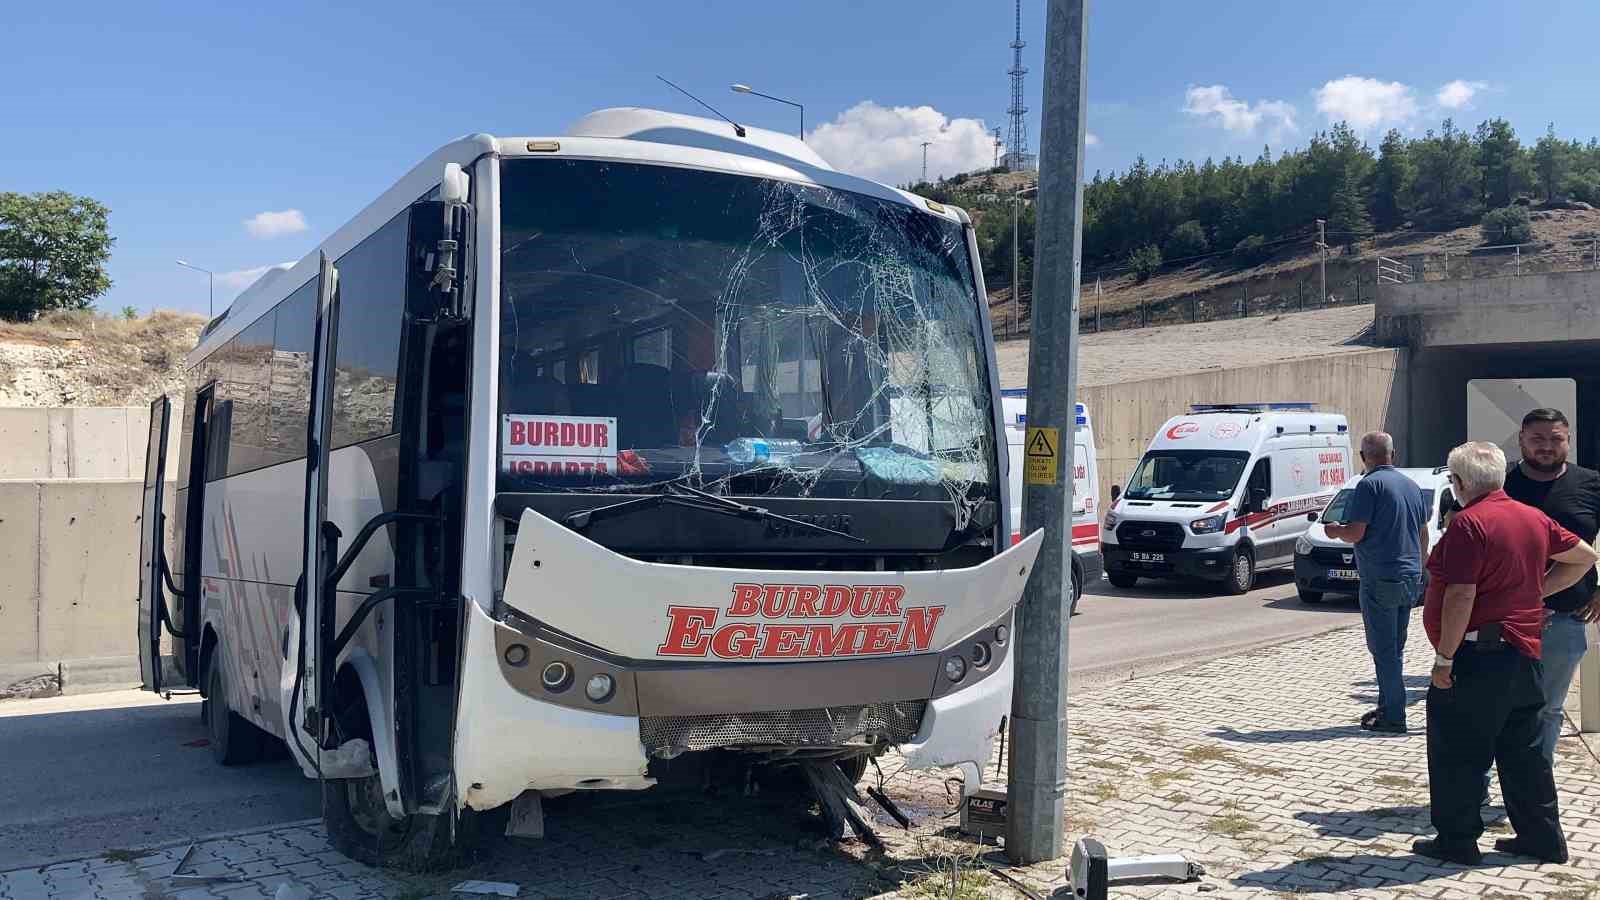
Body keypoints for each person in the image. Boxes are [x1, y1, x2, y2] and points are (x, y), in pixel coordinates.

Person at [1413, 441, 1598, 866]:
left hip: (1479, 656)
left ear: (1459, 483)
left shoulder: (1468, 524)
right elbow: (1585, 557)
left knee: (1457, 751)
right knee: (1525, 752)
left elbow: (1460, 594)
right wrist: (1536, 592)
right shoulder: (1532, 517)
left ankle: (1457, 841)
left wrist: (1444, 659)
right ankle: (1542, 839)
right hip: (1523, 653)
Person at [1503, 408, 1600, 763]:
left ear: (1568, 441)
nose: (1546, 446)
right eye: (1537, 439)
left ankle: (1534, 788)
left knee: (1548, 709)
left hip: (1566, 617)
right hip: (1505, 619)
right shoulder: (1502, 486)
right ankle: (1486, 786)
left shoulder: (1591, 483)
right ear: (1522, 440)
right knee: (1500, 706)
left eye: (1555, 439)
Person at [1324, 431, 1429, 734]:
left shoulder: (1368, 485)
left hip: (1380, 576)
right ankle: (1387, 704)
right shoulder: (1411, 485)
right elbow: (1422, 533)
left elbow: (1356, 532)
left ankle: (1394, 716)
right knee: (1395, 648)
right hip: (1410, 576)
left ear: (1363, 457)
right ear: (1392, 455)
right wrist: (1420, 569)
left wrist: (1334, 531)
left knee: (1384, 651)